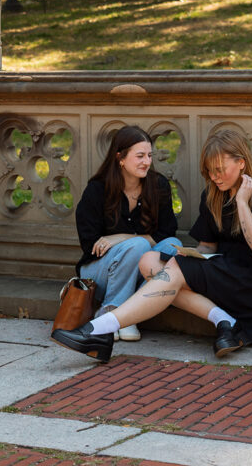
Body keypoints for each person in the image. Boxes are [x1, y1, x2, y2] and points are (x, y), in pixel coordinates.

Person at [52, 127, 252, 362]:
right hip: (225, 272)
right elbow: (208, 248)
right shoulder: (214, 194)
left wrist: (242, 202)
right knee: (151, 263)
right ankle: (227, 322)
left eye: (219, 170)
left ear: (241, 163)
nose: (214, 177)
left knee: (171, 266)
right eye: (209, 171)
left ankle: (97, 330)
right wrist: (190, 257)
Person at [71, 125, 181, 342]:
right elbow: (91, 245)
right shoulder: (97, 189)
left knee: (172, 245)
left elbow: (166, 232)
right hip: (99, 271)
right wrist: (130, 245)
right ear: (120, 158)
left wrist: (122, 238)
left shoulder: (158, 185)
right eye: (140, 156)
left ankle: (124, 313)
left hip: (137, 269)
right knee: (139, 246)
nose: (147, 162)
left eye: (149, 155)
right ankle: (115, 313)